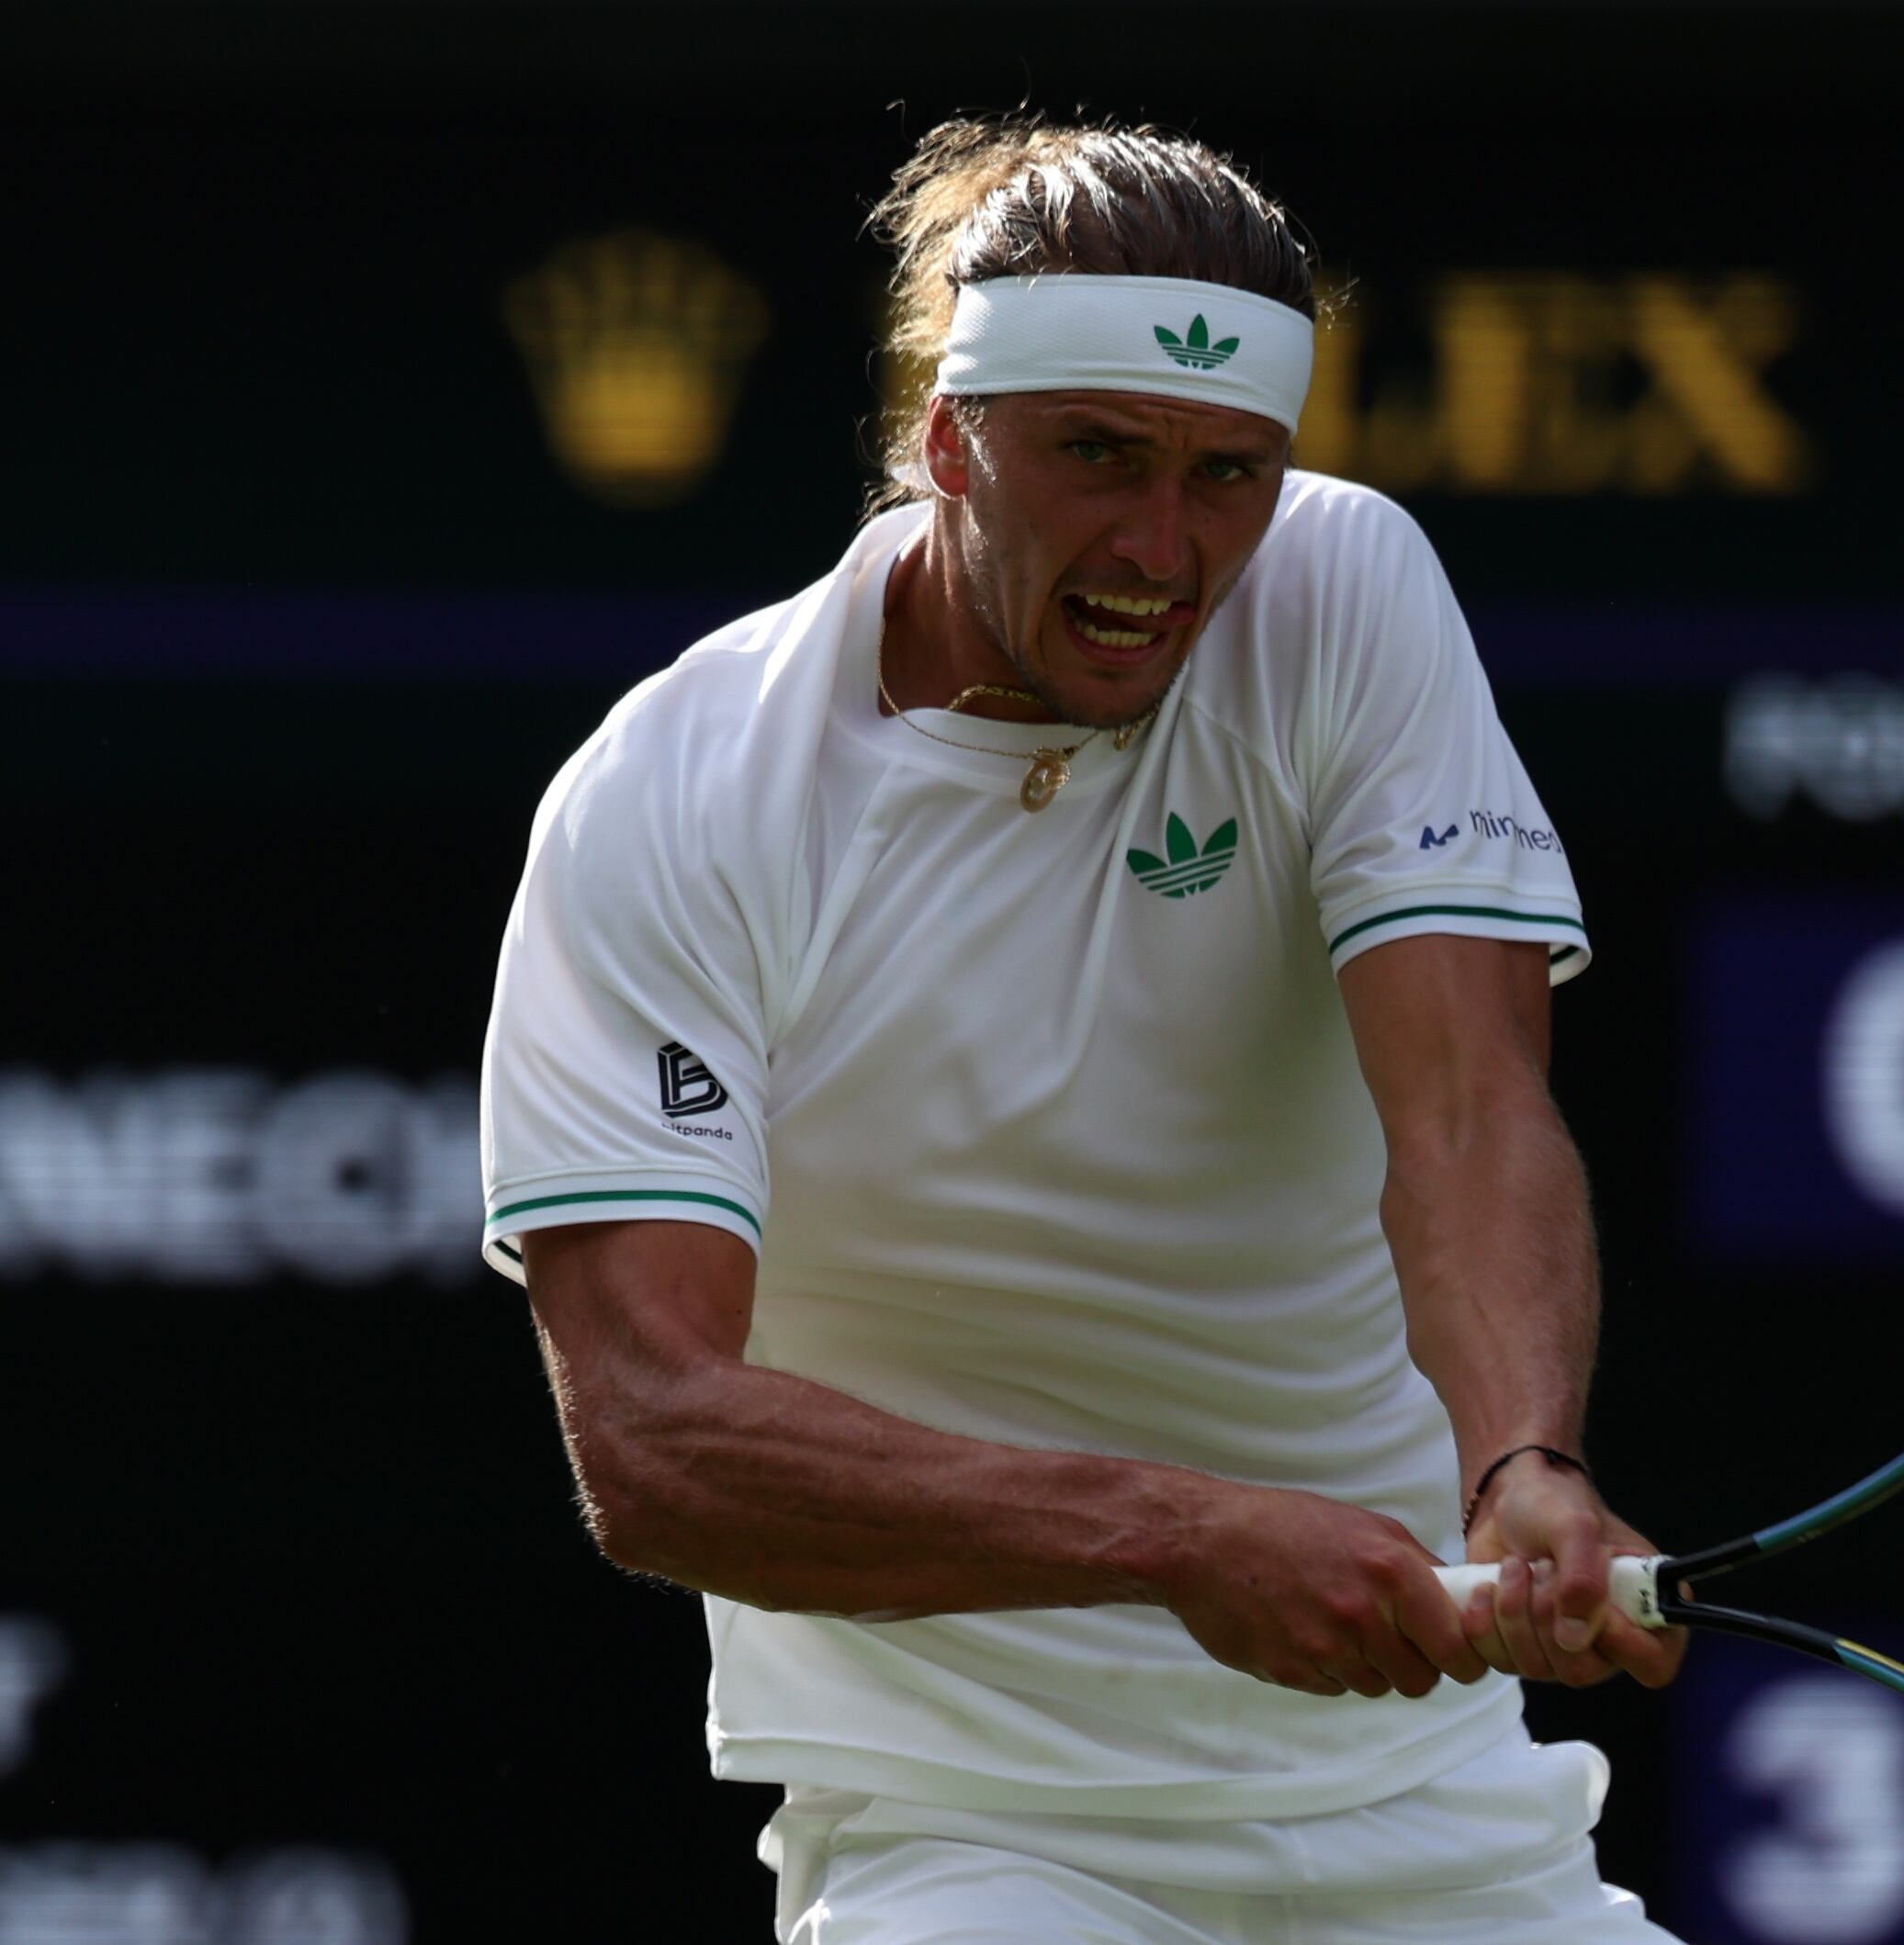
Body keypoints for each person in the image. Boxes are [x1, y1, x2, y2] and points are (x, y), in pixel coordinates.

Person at [478, 118, 1686, 1942]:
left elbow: (1462, 1107)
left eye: (1228, 474)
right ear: (952, 440)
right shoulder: (677, 794)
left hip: (1434, 1819)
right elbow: (652, 1436)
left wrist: (1521, 1459)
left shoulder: (1343, 591)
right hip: (974, 1840)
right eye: (1098, 457)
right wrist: (1176, 1538)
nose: (1162, 546)